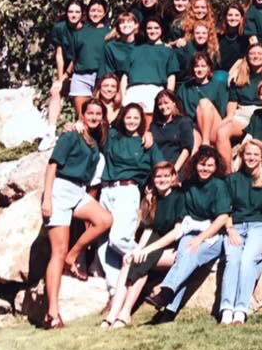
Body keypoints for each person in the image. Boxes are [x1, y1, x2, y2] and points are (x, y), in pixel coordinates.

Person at [40, 99, 113, 328]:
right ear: (82, 114)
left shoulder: (95, 140)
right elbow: (52, 166)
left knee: (104, 219)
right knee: (57, 252)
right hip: (61, 189)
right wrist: (47, 198)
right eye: (90, 113)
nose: (94, 117)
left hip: (79, 191)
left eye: (98, 114)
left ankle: (73, 255)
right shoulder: (71, 135)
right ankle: (52, 313)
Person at [145, 146, 230, 324]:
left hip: (212, 234)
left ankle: (165, 293)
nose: (205, 169)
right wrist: (151, 193)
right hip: (191, 231)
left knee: (190, 253)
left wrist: (201, 238)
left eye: (210, 165)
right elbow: (171, 189)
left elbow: (222, 218)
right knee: (186, 257)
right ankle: (169, 311)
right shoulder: (189, 184)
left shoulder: (219, 186)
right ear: (195, 165)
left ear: (216, 167)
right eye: (202, 164)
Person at [101, 162, 183, 329]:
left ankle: (125, 313)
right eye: (158, 176)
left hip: (175, 248)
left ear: (173, 177)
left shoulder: (179, 196)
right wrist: (137, 249)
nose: (162, 180)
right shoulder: (154, 198)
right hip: (157, 244)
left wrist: (147, 250)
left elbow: (176, 232)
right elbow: (149, 229)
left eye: (166, 176)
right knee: (129, 260)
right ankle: (113, 314)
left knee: (142, 261)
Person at [96, 103, 165, 298]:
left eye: (136, 118)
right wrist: (74, 125)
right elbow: (96, 120)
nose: (132, 121)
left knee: (118, 239)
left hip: (127, 190)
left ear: (142, 120)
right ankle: (114, 290)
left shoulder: (146, 142)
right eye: (128, 117)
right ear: (122, 118)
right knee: (104, 242)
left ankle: (150, 257)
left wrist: (153, 188)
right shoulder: (112, 137)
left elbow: (161, 167)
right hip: (106, 191)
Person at [219, 139, 262, 325]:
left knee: (247, 260)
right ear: (241, 155)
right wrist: (230, 229)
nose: (251, 157)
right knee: (233, 260)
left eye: (256, 154)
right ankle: (227, 309)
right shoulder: (231, 179)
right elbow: (225, 209)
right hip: (235, 226)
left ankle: (241, 310)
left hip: (259, 227)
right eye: (248, 153)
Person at [41, 0, 85, 150]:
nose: (73, 15)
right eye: (70, 11)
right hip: (67, 68)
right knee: (56, 91)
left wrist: (65, 76)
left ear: (82, 14)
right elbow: (59, 54)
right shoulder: (60, 28)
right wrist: (60, 79)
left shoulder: (85, 30)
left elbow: (77, 58)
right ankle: (50, 133)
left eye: (77, 12)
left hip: (82, 69)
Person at [121, 15, 179, 125]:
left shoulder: (168, 51)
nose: (153, 31)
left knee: (149, 126)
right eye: (149, 28)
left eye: (156, 28)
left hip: (155, 91)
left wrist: (168, 97)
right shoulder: (135, 50)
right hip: (133, 91)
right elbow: (125, 76)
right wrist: (123, 97)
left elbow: (171, 76)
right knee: (131, 124)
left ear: (162, 29)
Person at [68, 0, 111, 117]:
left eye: (99, 11)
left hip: (101, 78)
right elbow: (74, 58)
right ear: (87, 11)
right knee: (82, 117)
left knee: (100, 117)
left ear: (105, 13)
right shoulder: (79, 32)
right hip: (81, 77)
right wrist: (64, 77)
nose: (96, 14)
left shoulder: (110, 33)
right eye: (93, 10)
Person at [176, 52, 229, 149]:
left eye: (203, 66)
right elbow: (179, 112)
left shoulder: (218, 85)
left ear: (209, 68)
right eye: (196, 66)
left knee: (204, 103)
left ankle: (205, 144)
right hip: (193, 127)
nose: (199, 69)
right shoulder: (184, 87)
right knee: (192, 148)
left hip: (214, 127)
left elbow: (222, 112)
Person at [149, 90, 194, 173]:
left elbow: (187, 149)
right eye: (160, 104)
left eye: (166, 103)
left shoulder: (183, 122)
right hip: (157, 170)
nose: (163, 107)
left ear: (174, 103)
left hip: (175, 168)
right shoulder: (154, 126)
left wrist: (174, 170)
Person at [173, 22, 221, 88]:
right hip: (187, 83)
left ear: (208, 35)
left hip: (207, 83)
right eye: (197, 33)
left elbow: (214, 70)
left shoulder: (212, 50)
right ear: (193, 34)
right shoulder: (185, 47)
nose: (200, 36)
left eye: (204, 33)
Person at [218, 4, 257, 73]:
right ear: (225, 17)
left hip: (241, 71)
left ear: (241, 18)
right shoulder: (219, 36)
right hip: (221, 72)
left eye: (237, 15)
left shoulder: (247, 37)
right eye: (230, 15)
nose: (233, 18)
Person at [101, 12, 139, 80]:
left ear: (136, 25)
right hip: (118, 81)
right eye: (122, 22)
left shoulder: (142, 45)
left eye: (129, 22)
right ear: (118, 26)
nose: (125, 25)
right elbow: (109, 71)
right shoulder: (111, 47)